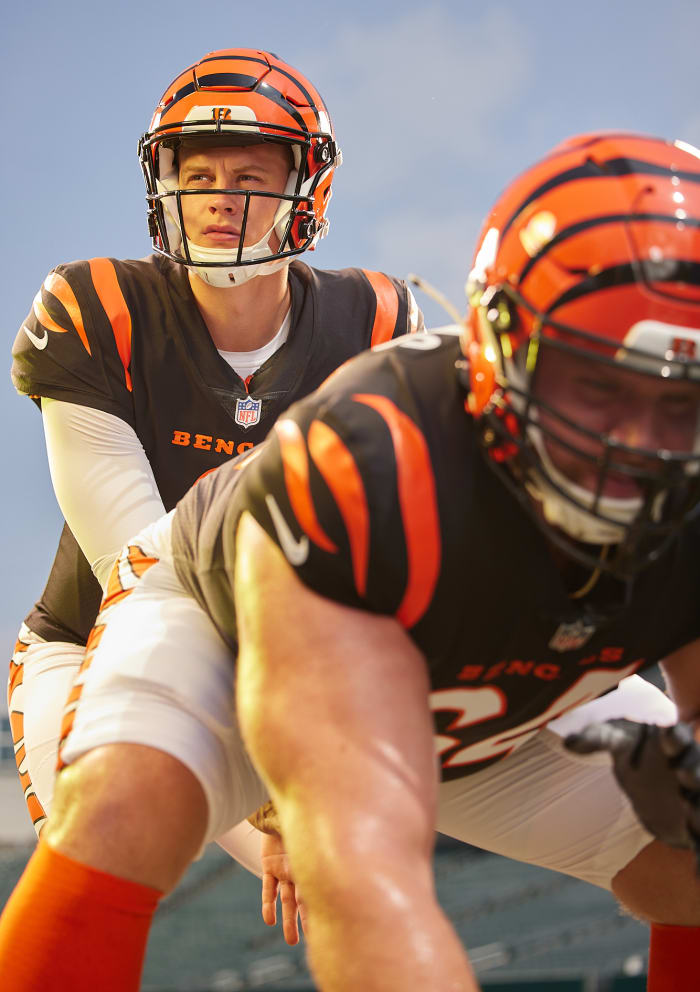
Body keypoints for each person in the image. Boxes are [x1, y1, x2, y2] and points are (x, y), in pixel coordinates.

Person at [1, 131, 699, 990]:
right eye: (597, 386)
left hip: (501, 669)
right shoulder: (378, 463)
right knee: (124, 813)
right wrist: (288, 814)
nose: (640, 445)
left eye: (683, 400)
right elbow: (360, 883)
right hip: (241, 630)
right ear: (501, 348)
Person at [6, 46, 422, 864]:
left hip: (298, 652)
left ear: (306, 189)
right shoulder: (97, 310)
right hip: (98, 637)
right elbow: (144, 572)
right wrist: (260, 813)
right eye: (198, 177)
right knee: (93, 856)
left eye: (250, 178)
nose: (218, 202)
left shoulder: (373, 325)